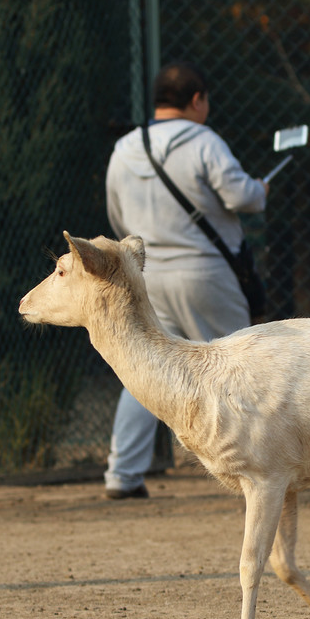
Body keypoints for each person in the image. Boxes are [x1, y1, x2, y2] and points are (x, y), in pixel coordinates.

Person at [102, 61, 268, 499]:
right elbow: (241, 196)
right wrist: (260, 189)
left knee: (145, 371)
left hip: (145, 275)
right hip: (205, 272)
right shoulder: (205, 141)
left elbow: (117, 219)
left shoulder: (124, 148)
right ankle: (257, 463)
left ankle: (122, 473)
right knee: (241, 367)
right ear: (197, 100)